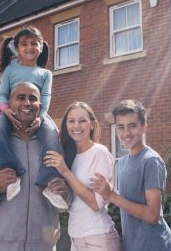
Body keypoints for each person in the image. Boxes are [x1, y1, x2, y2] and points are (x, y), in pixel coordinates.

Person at [0, 82, 71, 251]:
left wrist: (64, 194)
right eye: (20, 97)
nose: (27, 103)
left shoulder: (54, 148)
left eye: (33, 98)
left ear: (40, 106)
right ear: (9, 104)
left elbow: (65, 203)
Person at [0, 26, 67, 208]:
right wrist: (4, 109)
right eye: (24, 44)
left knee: (51, 134)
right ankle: (12, 173)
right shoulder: (10, 70)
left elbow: (46, 97)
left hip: (37, 114)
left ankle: (48, 180)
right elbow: (2, 94)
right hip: (11, 112)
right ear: (17, 47)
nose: (29, 47)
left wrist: (41, 117)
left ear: (41, 47)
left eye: (34, 43)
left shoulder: (45, 74)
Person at [90, 100, 171, 251]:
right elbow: (126, 199)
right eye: (120, 127)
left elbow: (152, 215)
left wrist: (111, 195)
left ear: (144, 127)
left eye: (132, 126)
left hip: (154, 245)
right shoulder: (122, 163)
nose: (126, 133)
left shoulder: (151, 161)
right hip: (133, 245)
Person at [44, 102, 121, 251]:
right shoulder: (69, 155)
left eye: (82, 120)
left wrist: (65, 171)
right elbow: (72, 202)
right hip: (75, 237)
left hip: (98, 237)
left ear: (92, 125)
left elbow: (95, 204)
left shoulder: (99, 152)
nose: (76, 126)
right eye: (71, 121)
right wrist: (60, 191)